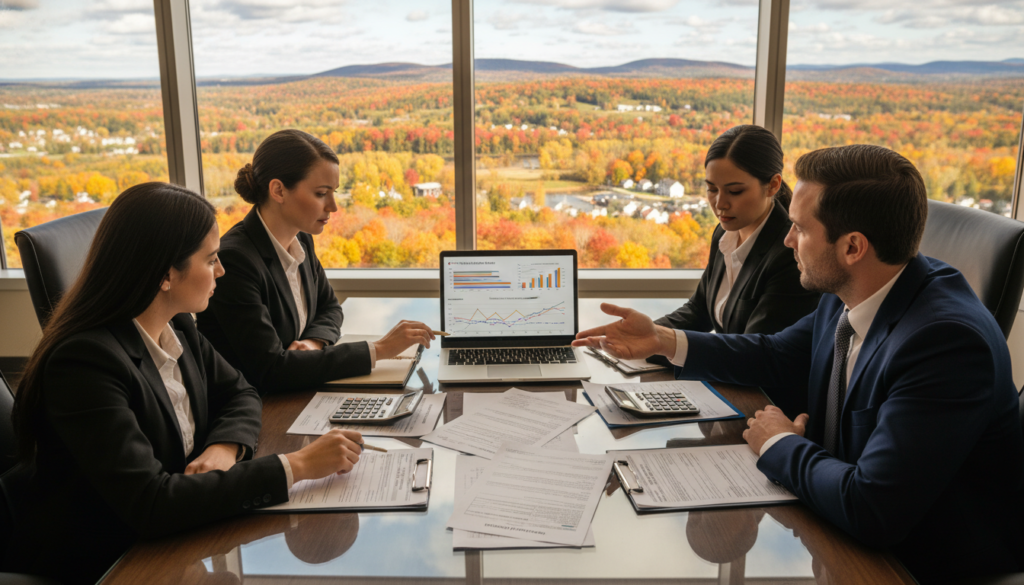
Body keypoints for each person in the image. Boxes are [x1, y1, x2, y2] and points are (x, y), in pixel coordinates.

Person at [573, 145, 1024, 583]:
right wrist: (665, 340)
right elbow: (776, 354)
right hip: (836, 523)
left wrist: (778, 445)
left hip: (913, 563)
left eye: (800, 229)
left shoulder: (946, 343)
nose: (787, 240)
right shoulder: (853, 290)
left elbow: (873, 509)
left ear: (852, 247)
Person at [7, 183, 368, 585]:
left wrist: (224, 447)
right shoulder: (85, 365)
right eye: (210, 259)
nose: (221, 270)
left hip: (179, 538)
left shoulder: (176, 323)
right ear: (165, 274)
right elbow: (151, 503)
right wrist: (297, 465)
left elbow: (241, 391)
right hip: (114, 562)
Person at [196, 129, 434, 395]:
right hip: (259, 407)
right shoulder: (236, 261)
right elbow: (271, 369)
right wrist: (379, 350)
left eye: (333, 192)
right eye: (321, 193)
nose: (332, 205)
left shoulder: (302, 241)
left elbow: (330, 308)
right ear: (278, 190)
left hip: (296, 392)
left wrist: (313, 343)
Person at [654, 125, 819, 337]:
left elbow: (753, 352)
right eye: (712, 189)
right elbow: (699, 311)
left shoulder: (789, 253)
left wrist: (659, 344)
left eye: (735, 191)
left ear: (773, 185)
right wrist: (641, 333)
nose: (720, 203)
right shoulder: (724, 234)